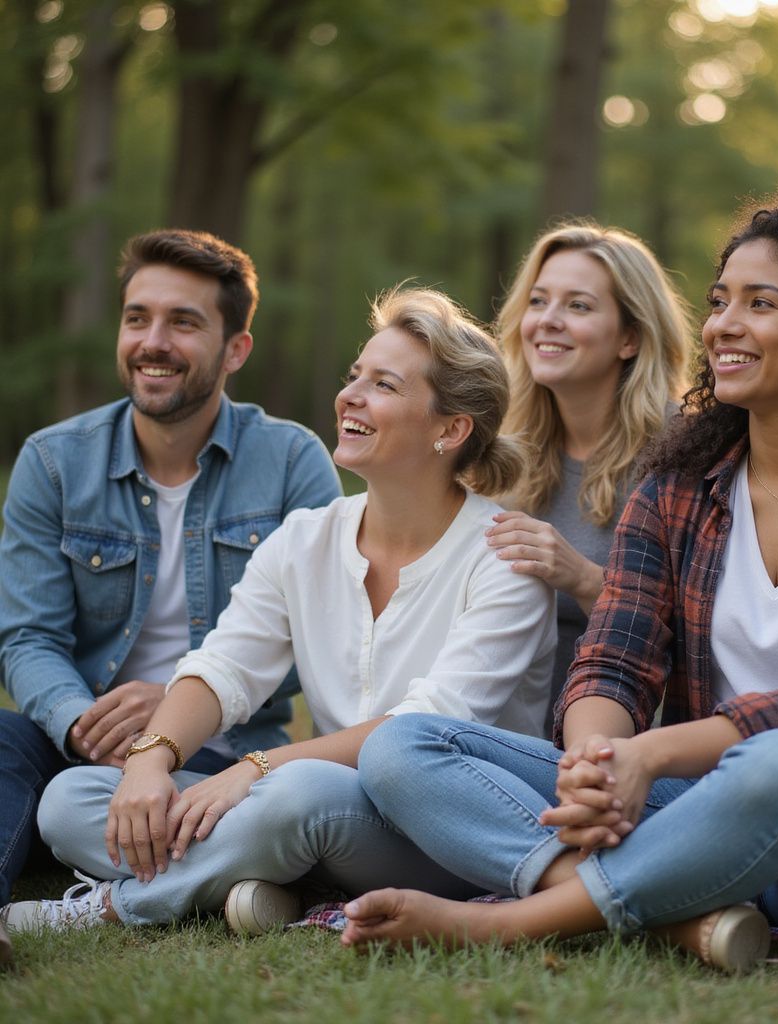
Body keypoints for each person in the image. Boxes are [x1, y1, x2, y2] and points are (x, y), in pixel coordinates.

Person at [337, 202, 778, 973]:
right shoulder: (676, 488)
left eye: (760, 304)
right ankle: (683, 898)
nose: (724, 323)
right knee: (404, 745)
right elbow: (614, 656)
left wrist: (651, 756)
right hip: (705, 807)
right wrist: (598, 763)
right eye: (720, 301)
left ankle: (512, 922)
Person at [4, 286, 556, 937]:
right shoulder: (306, 538)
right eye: (355, 376)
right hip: (323, 815)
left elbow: (423, 729)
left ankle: (117, 907)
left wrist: (252, 769)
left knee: (298, 796)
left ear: (450, 429)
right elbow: (225, 665)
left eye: (383, 385)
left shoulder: (503, 557)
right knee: (73, 800)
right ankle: (264, 878)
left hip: (447, 833)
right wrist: (152, 760)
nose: (350, 395)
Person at [0, 229, 341, 964]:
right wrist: (83, 728)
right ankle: (240, 883)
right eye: (137, 318)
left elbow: (323, 637)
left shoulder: (291, 461)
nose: (152, 342)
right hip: (81, 740)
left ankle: (139, 874)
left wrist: (178, 705)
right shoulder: (54, 463)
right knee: (2, 743)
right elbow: (26, 639)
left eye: (183, 322)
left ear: (235, 349)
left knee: (290, 800)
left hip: (223, 753)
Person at [486, 223, 692, 728]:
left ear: (630, 337)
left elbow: (702, 632)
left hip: (632, 742)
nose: (548, 321)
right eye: (538, 301)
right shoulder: (501, 444)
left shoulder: (684, 448)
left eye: (578, 306)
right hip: (504, 729)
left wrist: (580, 575)